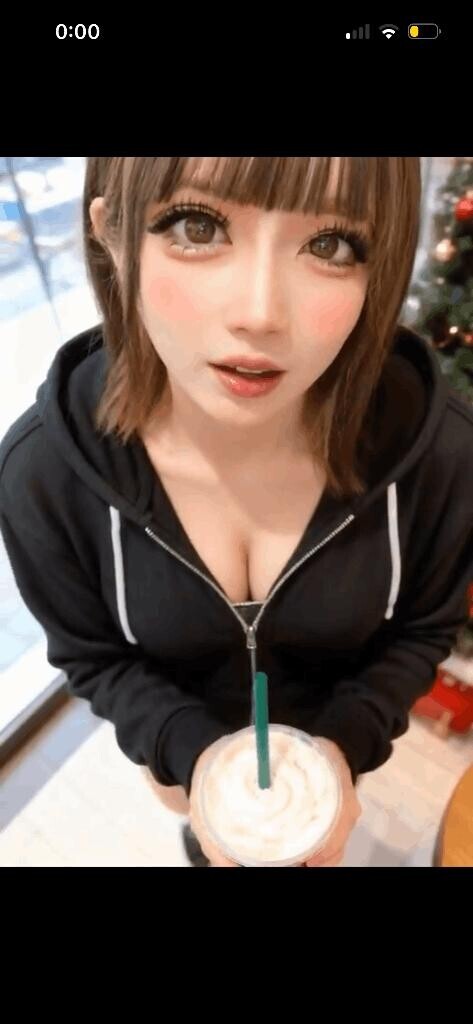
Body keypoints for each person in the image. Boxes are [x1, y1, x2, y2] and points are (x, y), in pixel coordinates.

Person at [1, 157, 472, 867]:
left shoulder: (440, 455)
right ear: (113, 235)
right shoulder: (44, 474)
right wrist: (184, 751)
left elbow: (423, 629)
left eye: (330, 244)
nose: (260, 314)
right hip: (183, 776)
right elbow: (91, 655)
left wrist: (344, 745)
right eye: (197, 226)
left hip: (326, 775)